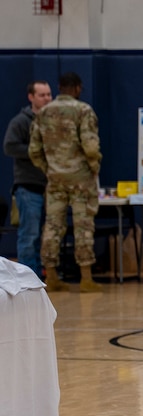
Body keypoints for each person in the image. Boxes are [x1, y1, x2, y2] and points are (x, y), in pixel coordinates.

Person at [28, 72, 101, 292]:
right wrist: (94, 167)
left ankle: (51, 276)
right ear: (78, 88)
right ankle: (86, 278)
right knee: (83, 226)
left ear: (59, 87)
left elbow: (33, 150)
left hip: (55, 179)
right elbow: (90, 146)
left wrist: (49, 168)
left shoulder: (43, 113)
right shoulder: (83, 111)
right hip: (81, 179)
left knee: (52, 225)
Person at [4, 80, 53, 279]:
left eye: (49, 94)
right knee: (29, 236)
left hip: (49, 187)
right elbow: (10, 147)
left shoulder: (53, 120)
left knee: (45, 236)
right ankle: (27, 279)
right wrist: (36, 152)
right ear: (31, 97)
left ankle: (41, 275)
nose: (47, 98)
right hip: (28, 187)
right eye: (42, 95)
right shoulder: (21, 121)